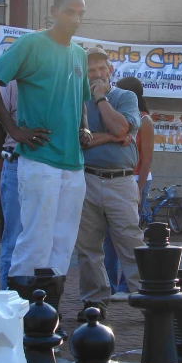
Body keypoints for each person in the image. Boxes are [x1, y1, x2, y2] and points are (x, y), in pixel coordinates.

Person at [0, 0, 91, 294]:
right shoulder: (31, 44)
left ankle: (47, 323)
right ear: (53, 11)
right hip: (39, 159)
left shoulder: (80, 53)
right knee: (34, 242)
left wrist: (85, 127)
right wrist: (13, 130)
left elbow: (81, 99)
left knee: (62, 245)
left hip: (74, 164)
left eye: (81, 13)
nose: (76, 18)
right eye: (69, 11)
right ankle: (22, 323)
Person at [75, 46, 143, 320]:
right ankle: (94, 301)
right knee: (88, 247)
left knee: (131, 242)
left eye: (102, 69)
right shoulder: (77, 100)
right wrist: (111, 137)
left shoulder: (125, 96)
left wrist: (101, 99)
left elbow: (121, 128)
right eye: (91, 70)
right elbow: (79, 141)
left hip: (121, 181)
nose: (98, 74)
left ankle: (148, 297)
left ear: (111, 71)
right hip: (87, 178)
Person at [103, 75, 154, 300]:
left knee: (129, 236)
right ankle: (109, 286)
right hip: (113, 179)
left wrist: (140, 188)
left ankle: (126, 287)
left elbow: (147, 158)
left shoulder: (145, 121)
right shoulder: (112, 116)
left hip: (134, 180)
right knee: (109, 238)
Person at [0, 80, 23, 290]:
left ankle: (41, 303)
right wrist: (6, 155)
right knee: (15, 237)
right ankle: (9, 297)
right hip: (16, 162)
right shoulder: (11, 82)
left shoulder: (61, 75)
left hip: (51, 166)